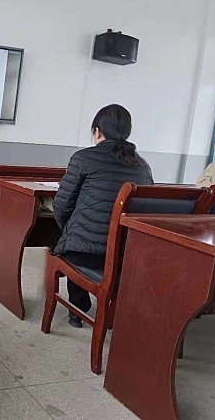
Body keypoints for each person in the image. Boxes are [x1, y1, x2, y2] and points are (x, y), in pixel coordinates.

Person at [53, 104, 153, 328]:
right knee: (79, 240)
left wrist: (70, 231)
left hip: (85, 254)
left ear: (97, 131)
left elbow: (61, 206)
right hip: (125, 254)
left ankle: (78, 309)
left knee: (74, 243)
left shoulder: (83, 158)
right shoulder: (143, 167)